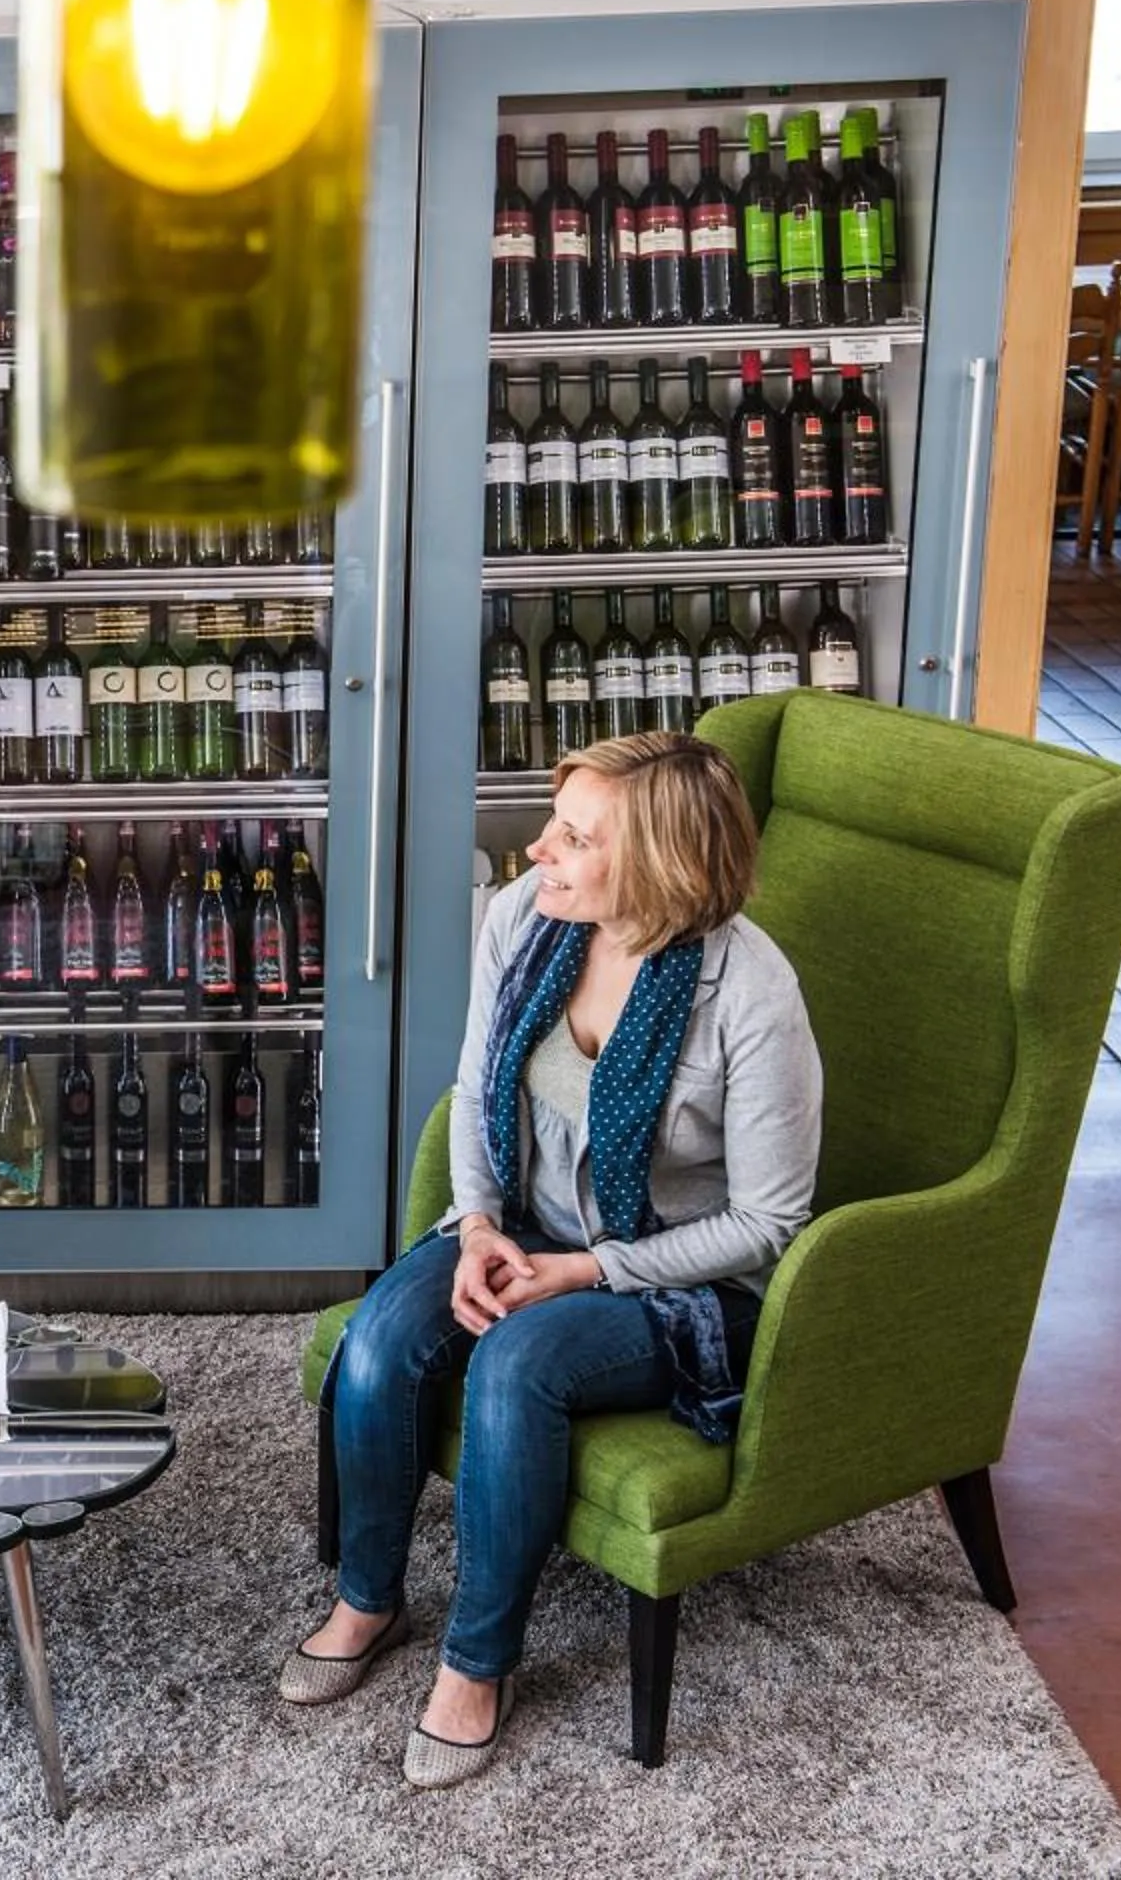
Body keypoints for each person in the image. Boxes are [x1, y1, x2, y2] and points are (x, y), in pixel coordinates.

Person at [281, 731, 822, 1787]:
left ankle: (479, 1662)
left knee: (517, 1363)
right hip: (525, 1220)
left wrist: (587, 1271)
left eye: (575, 837)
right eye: (554, 822)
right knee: (380, 1339)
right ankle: (367, 1595)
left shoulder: (752, 994)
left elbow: (769, 1218)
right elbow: (476, 1087)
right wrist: (479, 1226)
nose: (538, 850)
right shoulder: (523, 919)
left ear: (662, 862)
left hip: (679, 1272)